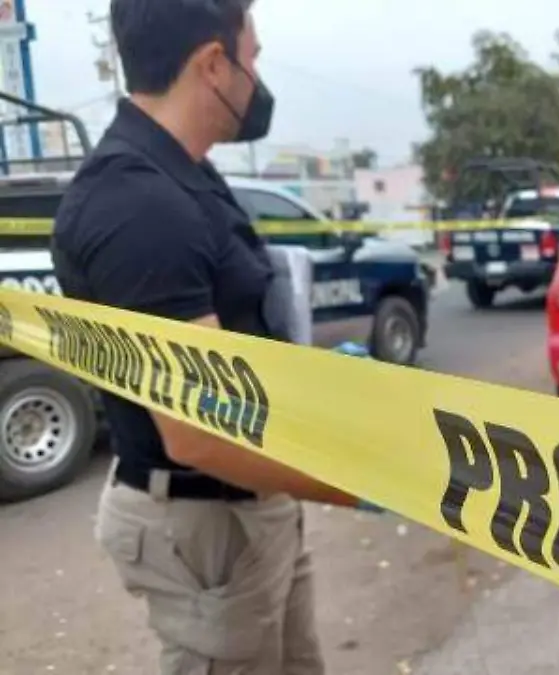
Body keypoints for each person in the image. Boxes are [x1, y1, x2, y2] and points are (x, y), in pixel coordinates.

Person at [50, 1, 382, 672]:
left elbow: (234, 332)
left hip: (254, 505)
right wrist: (353, 479)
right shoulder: (140, 207)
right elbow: (199, 433)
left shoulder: (186, 171)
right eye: (251, 59)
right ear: (211, 64)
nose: (256, 79)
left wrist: (316, 383)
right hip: (207, 527)